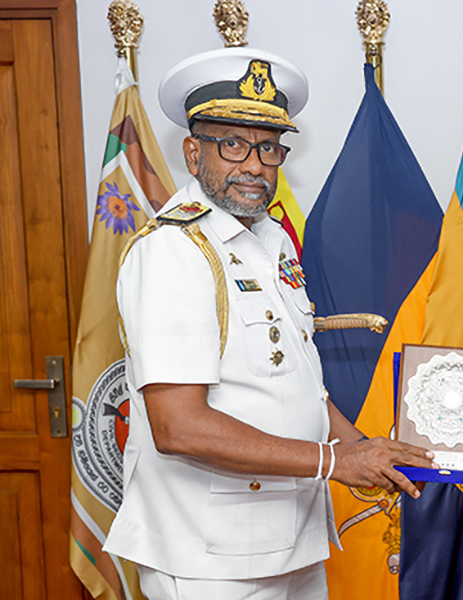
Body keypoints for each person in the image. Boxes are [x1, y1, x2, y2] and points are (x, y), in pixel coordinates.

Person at [104, 48, 435, 600]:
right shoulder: (173, 251)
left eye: (268, 148)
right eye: (232, 144)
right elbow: (177, 426)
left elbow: (294, 381)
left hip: (294, 534)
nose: (254, 165)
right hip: (209, 554)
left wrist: (366, 448)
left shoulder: (272, 240)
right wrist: (337, 461)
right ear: (192, 152)